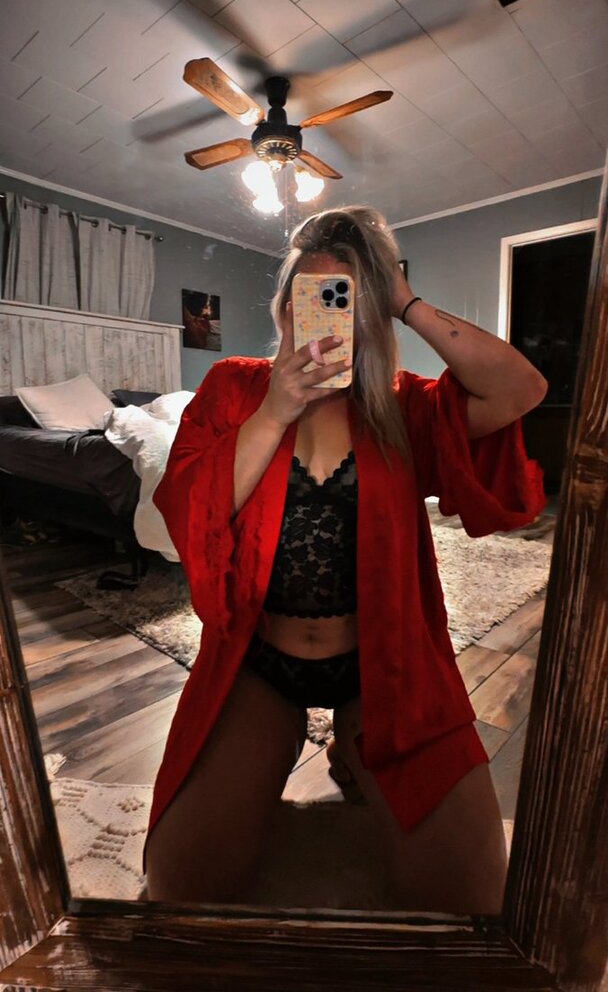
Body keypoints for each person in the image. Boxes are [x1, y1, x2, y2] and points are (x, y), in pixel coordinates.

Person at [144, 206, 547, 912]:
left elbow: (521, 390)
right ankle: (304, 744)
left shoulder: (404, 406)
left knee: (469, 894)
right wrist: (275, 411)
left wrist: (403, 299)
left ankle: (351, 750)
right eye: (310, 296)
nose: (323, 318)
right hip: (257, 664)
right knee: (185, 885)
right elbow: (188, 508)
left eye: (344, 300)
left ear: (368, 315)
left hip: (383, 665)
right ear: (285, 306)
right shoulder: (235, 387)